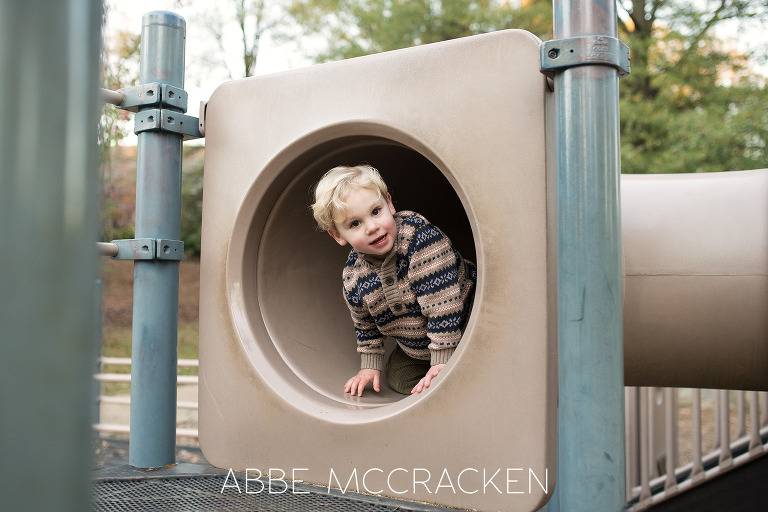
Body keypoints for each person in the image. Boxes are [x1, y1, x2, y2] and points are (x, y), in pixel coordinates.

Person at [311, 164, 476, 396]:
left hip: (467, 321)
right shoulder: (353, 277)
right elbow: (365, 324)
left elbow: (443, 302)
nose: (372, 227)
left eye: (376, 211)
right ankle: (442, 374)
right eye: (355, 224)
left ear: (389, 203)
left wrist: (443, 358)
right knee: (397, 378)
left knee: (478, 354)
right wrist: (369, 365)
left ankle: (462, 368)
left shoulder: (419, 238)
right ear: (337, 235)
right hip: (418, 346)